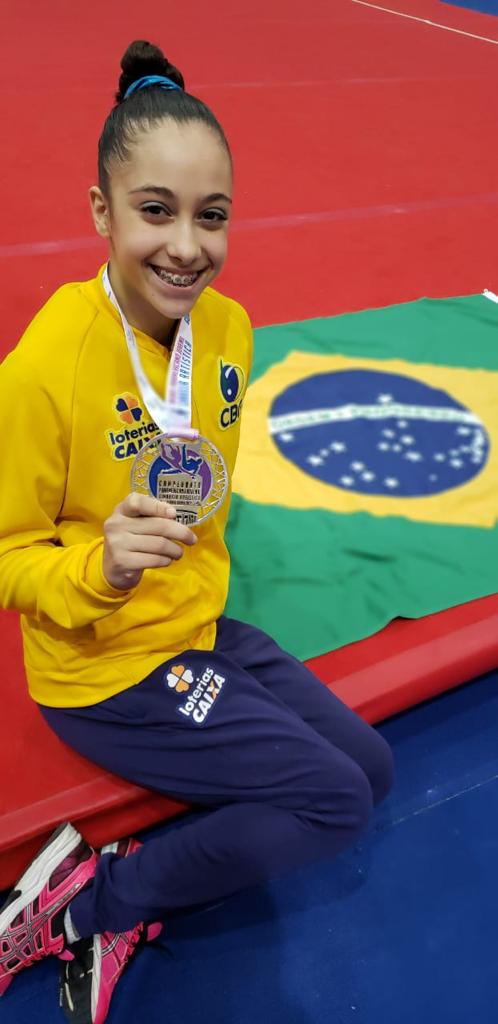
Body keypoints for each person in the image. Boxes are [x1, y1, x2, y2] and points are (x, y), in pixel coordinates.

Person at [0, 39, 394, 1024]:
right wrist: (98, 567)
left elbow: (199, 486)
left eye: (211, 216)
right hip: (107, 669)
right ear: (102, 211)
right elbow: (8, 556)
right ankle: (87, 907)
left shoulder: (229, 331)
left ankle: (137, 874)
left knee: (373, 770)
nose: (187, 246)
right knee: (334, 802)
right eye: (155, 210)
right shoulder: (45, 367)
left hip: (195, 627)